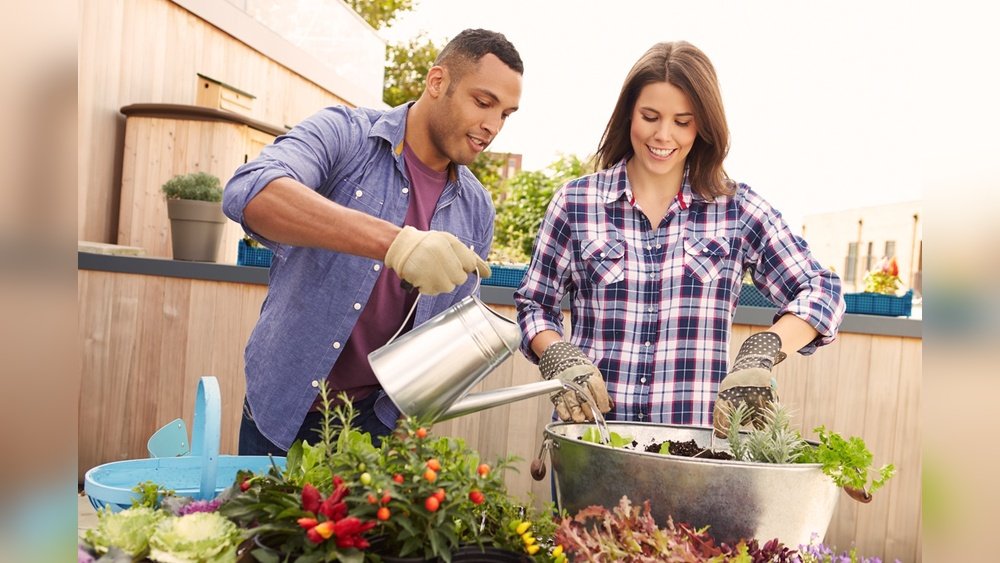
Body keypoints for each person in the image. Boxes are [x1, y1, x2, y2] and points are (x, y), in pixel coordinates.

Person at [514, 41, 844, 436]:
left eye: (682, 121)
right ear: (628, 115)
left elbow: (820, 290)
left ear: (703, 126)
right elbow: (534, 305)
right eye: (649, 116)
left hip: (695, 451)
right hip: (591, 440)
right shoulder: (576, 202)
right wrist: (557, 354)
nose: (663, 135)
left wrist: (764, 351)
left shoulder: (737, 210)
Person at [224, 29, 524, 455]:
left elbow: (441, 337)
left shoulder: (476, 208)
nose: (492, 127)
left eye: (506, 114)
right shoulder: (346, 136)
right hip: (282, 408)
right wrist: (397, 244)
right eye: (483, 103)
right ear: (437, 82)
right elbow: (250, 192)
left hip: (376, 426)